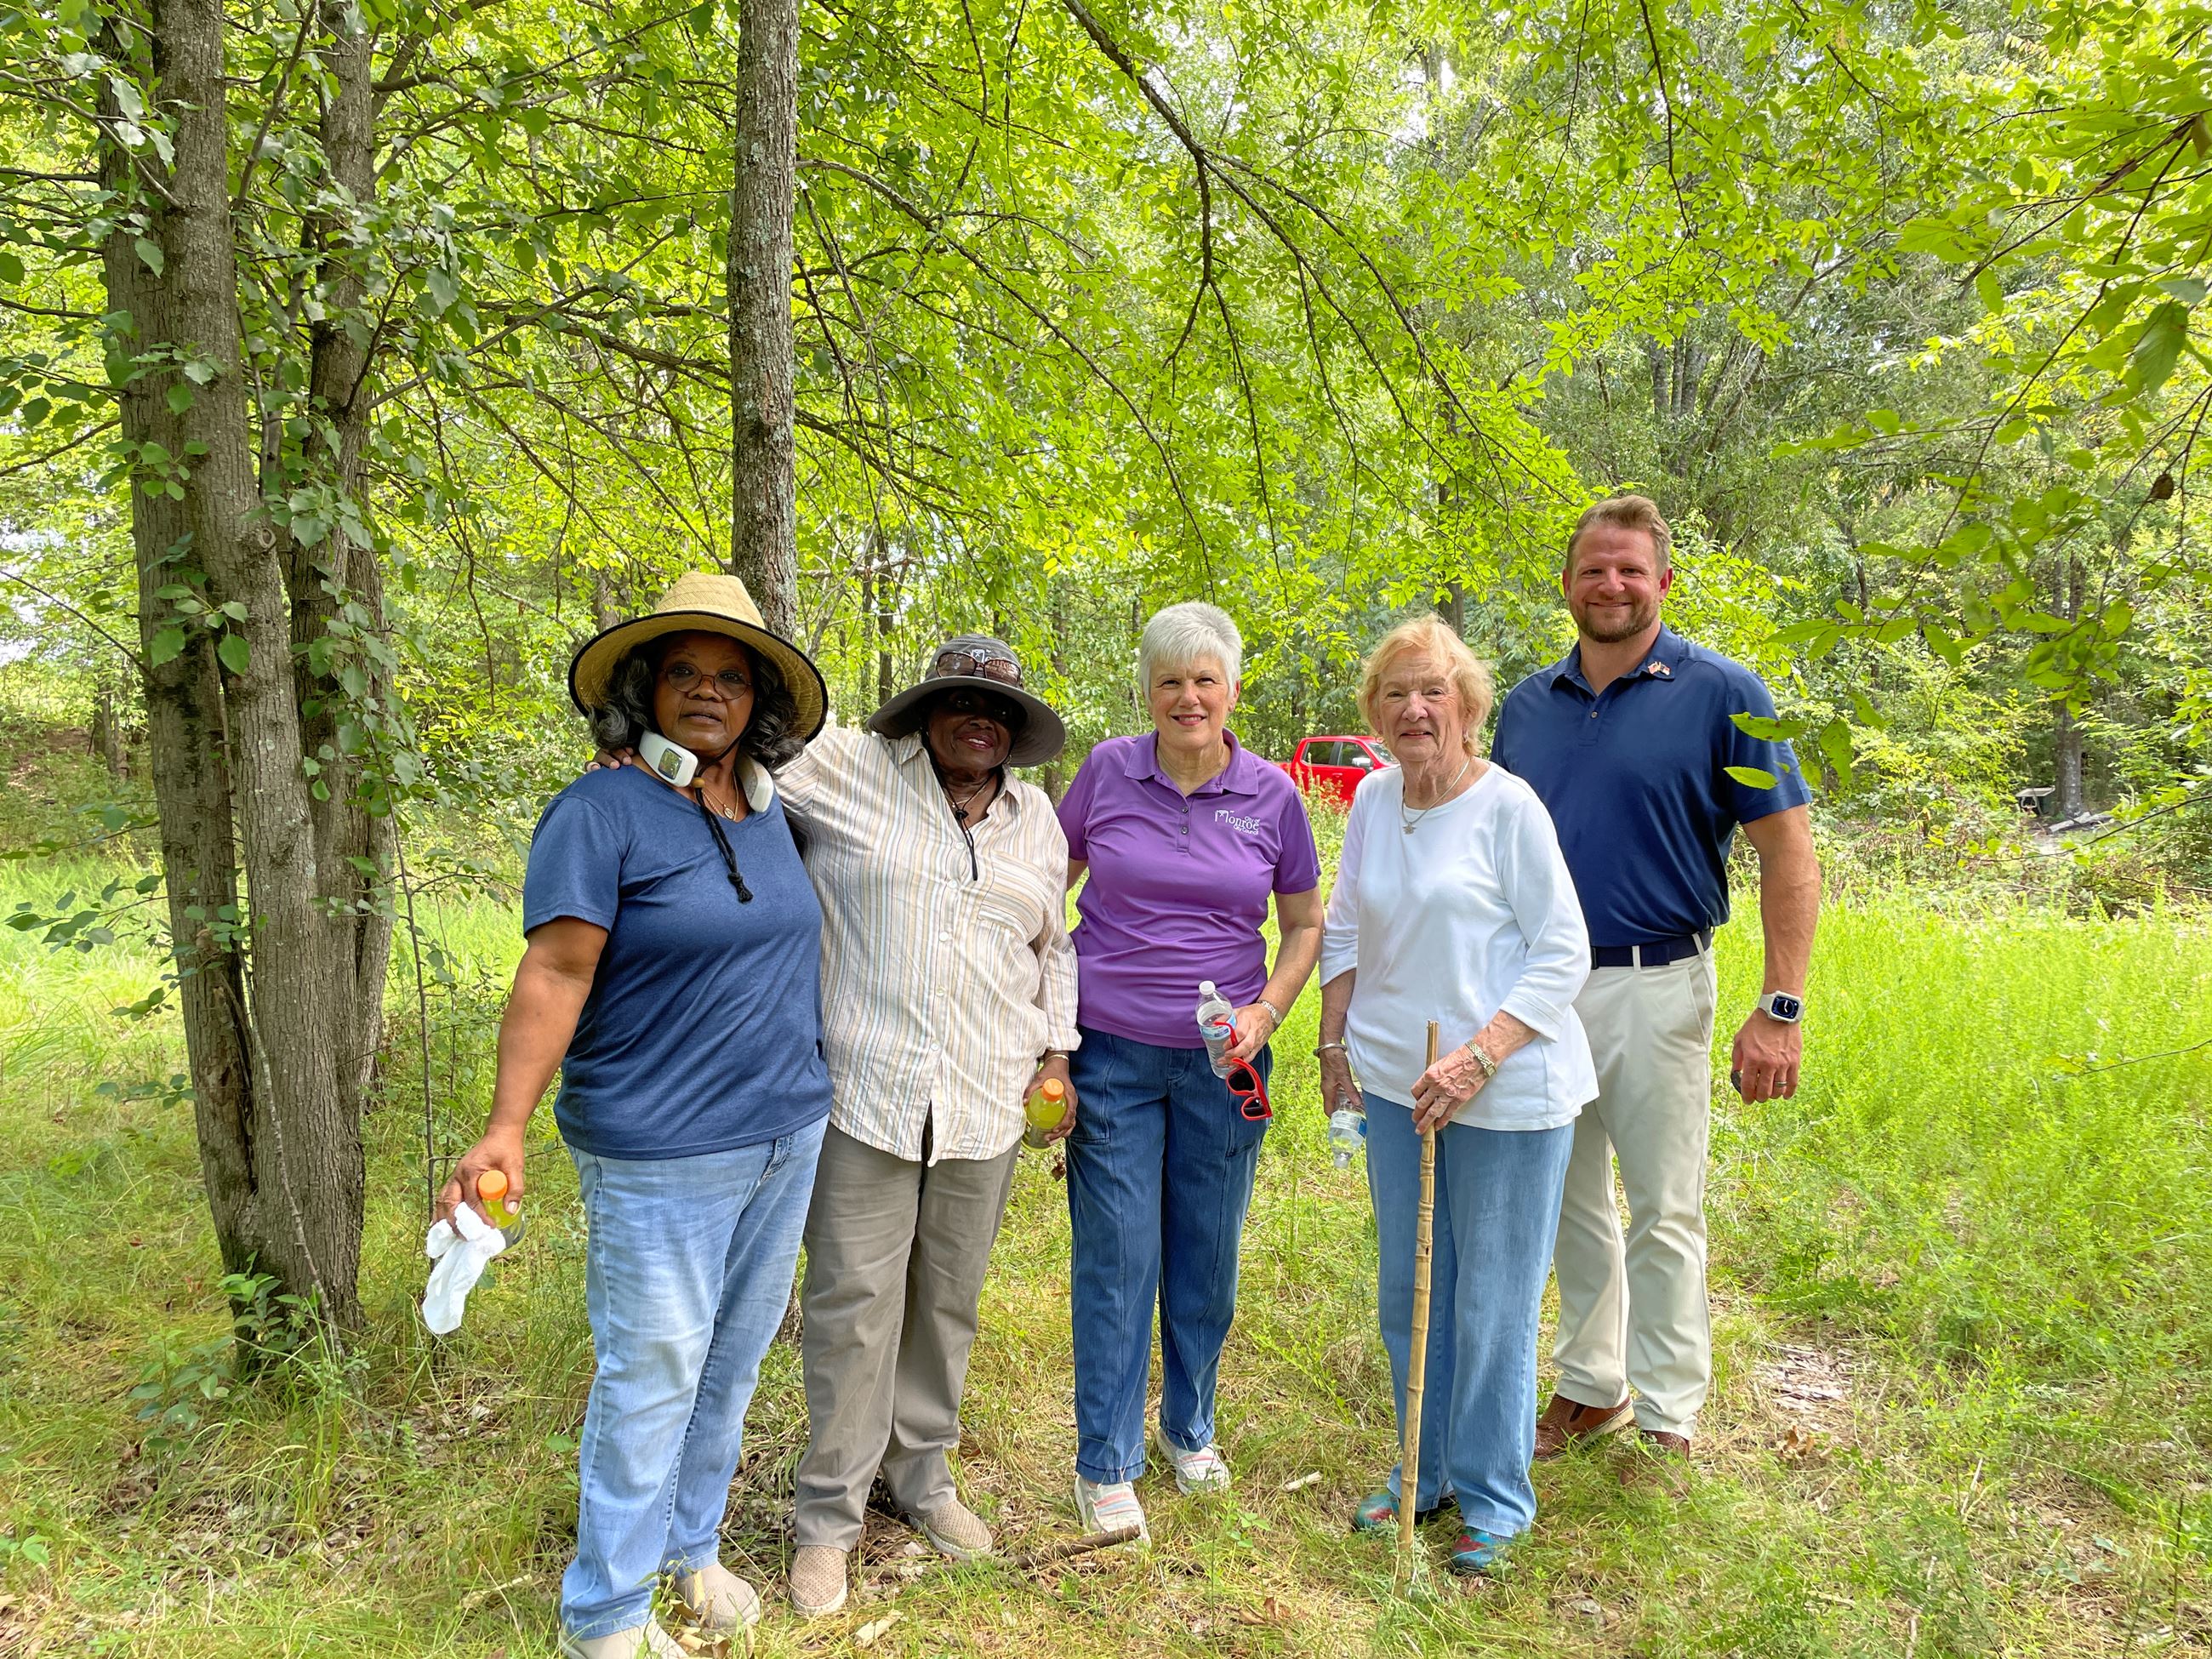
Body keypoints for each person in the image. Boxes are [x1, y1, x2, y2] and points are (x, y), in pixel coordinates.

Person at [440, 573, 833, 1659]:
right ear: (644, 694)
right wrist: (505, 1127)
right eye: (684, 674)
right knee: (653, 1372)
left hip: (785, 1134)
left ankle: (688, 1549)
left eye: (731, 678)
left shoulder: (773, 814)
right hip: (658, 1151)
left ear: (758, 702)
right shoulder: (598, 811)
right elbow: (556, 972)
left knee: (730, 1362)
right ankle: (605, 1616)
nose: (708, 692)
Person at [1491, 494, 1821, 1479]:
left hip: (1655, 982)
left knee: (1663, 1208)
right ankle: (1593, 1387)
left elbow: (1787, 853)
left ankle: (1669, 1413)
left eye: (1630, 569)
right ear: (1565, 584)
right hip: (1539, 994)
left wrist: (1779, 1007)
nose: (1611, 585)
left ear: (1663, 582)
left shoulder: (1724, 693)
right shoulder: (1524, 706)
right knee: (1566, 1200)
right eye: (1593, 569)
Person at [777, 637, 1080, 1617]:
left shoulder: (1036, 820)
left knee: (946, 1302)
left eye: (997, 711)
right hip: (865, 1091)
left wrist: (1056, 1054)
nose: (978, 721)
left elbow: (1053, 947)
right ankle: (828, 1519)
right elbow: (738, 762)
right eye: (959, 701)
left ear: (1015, 732)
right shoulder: (848, 770)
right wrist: (642, 755)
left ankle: (921, 1479)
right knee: (853, 1305)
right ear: (924, 710)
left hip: (987, 1099)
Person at [1315, 615, 1594, 1575]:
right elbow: (1343, 930)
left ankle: (1494, 1498)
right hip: (1398, 1086)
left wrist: (1479, 1056)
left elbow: (1563, 951)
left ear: (1468, 706)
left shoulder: (1508, 808)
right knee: (1411, 1292)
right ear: (1375, 712)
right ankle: (1422, 1470)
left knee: (1491, 1304)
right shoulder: (1371, 800)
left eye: (1433, 690)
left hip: (1505, 1092)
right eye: (1395, 693)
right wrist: (1333, 1049)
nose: (1414, 708)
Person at [1056, 601, 1324, 1542]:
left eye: (1204, 679)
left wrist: (1266, 1011)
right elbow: (1045, 888)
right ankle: (1105, 1462)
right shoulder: (1105, 771)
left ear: (1232, 690)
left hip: (1225, 1063)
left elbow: (1304, 925)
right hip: (1110, 1056)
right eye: (1169, 680)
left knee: (1206, 1258)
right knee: (1118, 1257)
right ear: (1147, 692)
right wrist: (1040, 1026)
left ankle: (1189, 1427)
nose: (1187, 697)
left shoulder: (1272, 796)